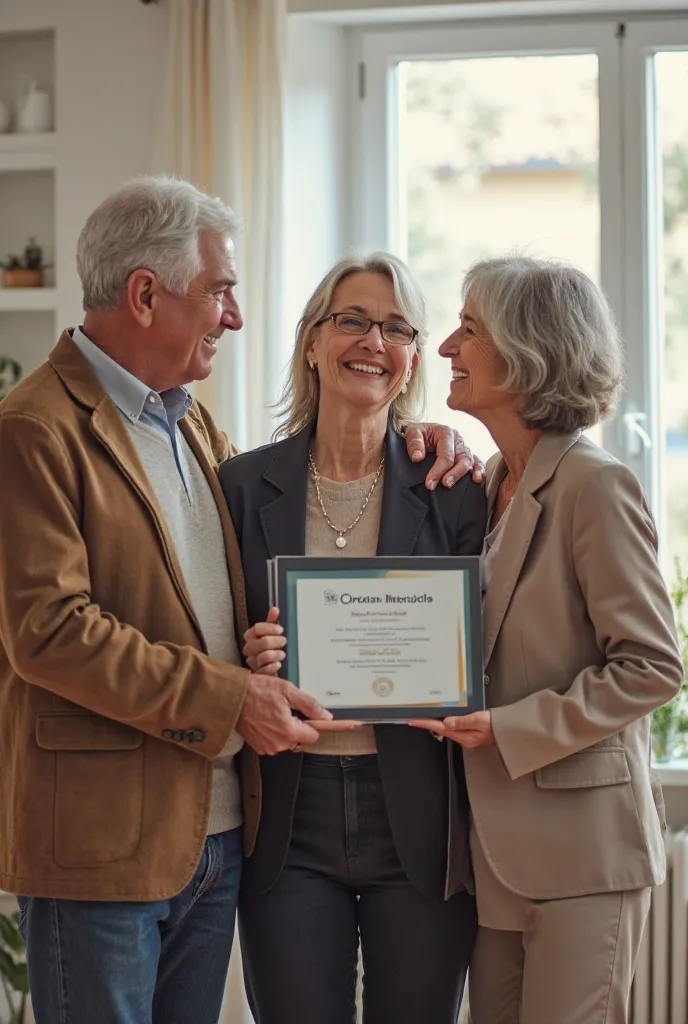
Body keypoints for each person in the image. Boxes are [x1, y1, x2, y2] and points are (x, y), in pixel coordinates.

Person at [0, 176, 481, 1024]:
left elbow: (215, 608)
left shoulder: (189, 428)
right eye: (220, 291)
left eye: (397, 327)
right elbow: (48, 630)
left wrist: (438, 433)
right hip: (115, 841)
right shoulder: (37, 428)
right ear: (146, 294)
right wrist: (239, 688)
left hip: (216, 830)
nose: (233, 315)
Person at [410, 255, 684, 1024]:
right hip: (496, 861)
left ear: (526, 349)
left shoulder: (595, 485)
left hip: (583, 856)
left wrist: (507, 728)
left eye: (468, 329)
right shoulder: (489, 483)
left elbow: (652, 666)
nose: (445, 350)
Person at [219, 252, 487, 1024]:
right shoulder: (239, 486)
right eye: (354, 320)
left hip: (417, 818)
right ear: (312, 341)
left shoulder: (454, 486)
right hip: (289, 819)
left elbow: (490, 645)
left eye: (397, 327)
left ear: (411, 360)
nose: (375, 340)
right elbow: (207, 640)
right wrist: (249, 664)